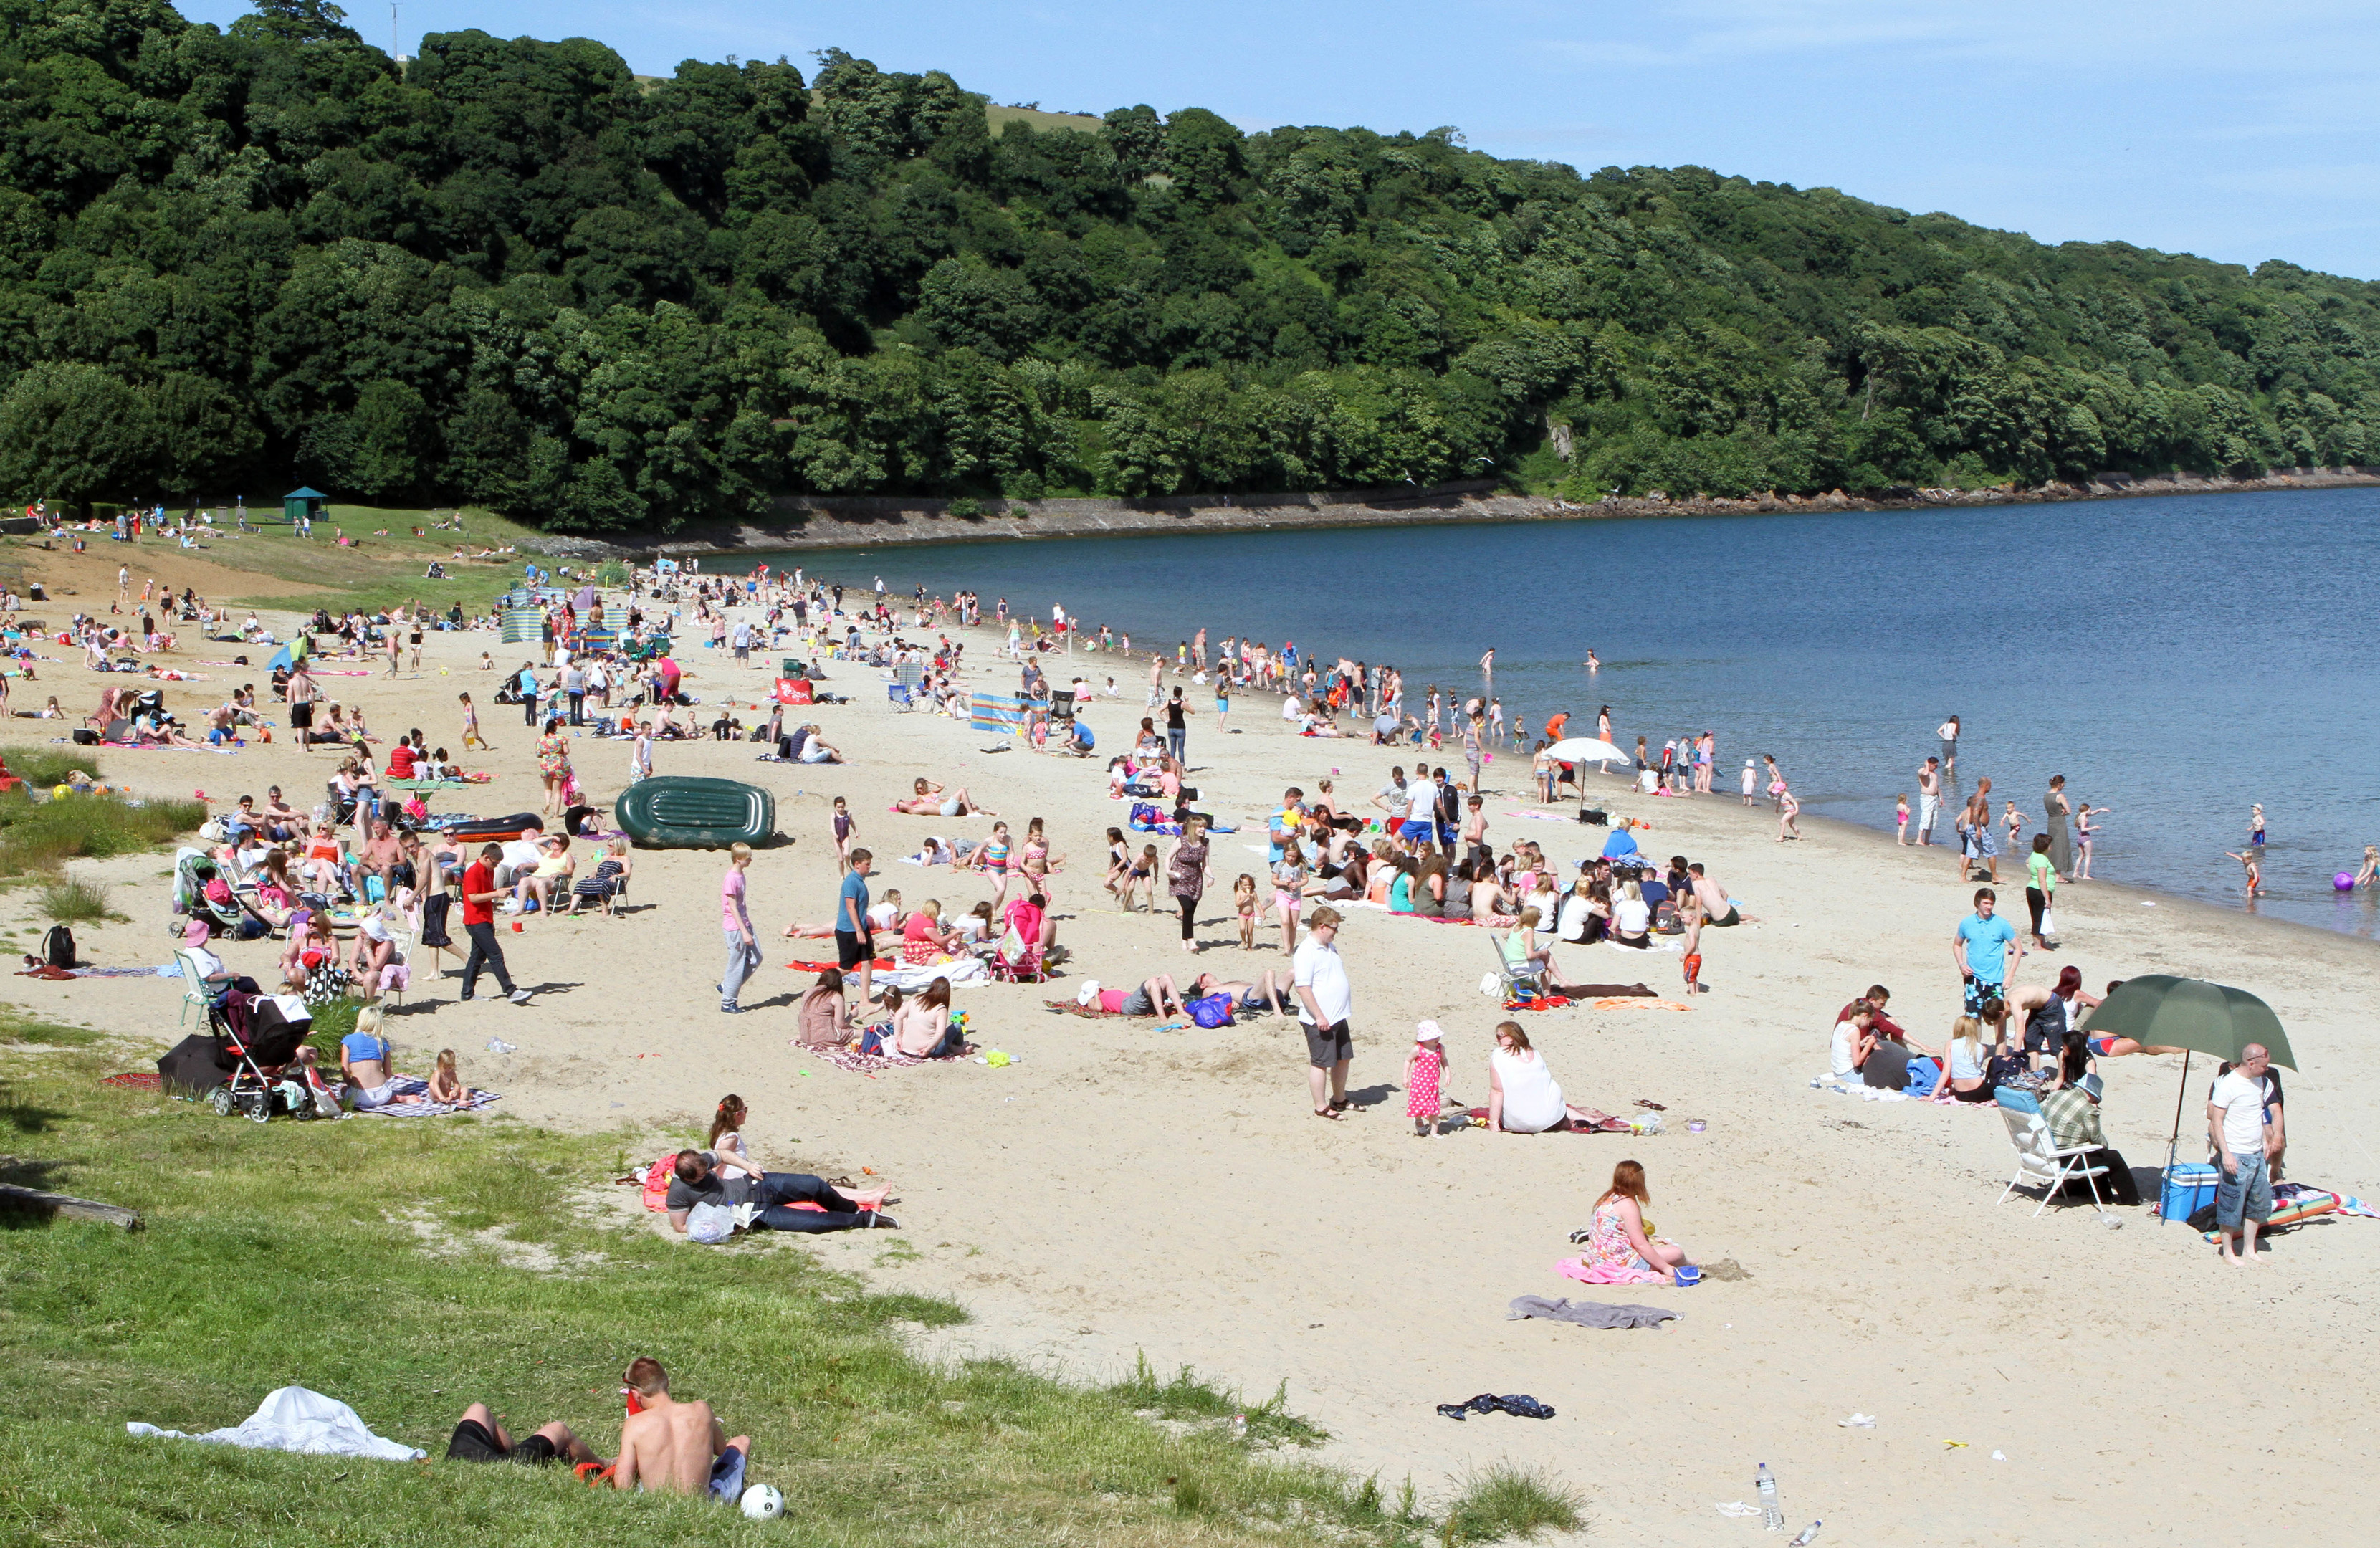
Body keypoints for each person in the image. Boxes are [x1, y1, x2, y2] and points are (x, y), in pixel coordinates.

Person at [612, 1358, 752, 1500]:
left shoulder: (634, 1424)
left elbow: (623, 1484)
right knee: (742, 1442)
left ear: (636, 1396)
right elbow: (722, 1450)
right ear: (667, 1382)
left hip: (656, 1504)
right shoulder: (702, 1410)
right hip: (703, 1504)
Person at [664, 1151, 892, 1236]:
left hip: (757, 1183)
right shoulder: (678, 1193)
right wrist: (718, 1227)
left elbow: (722, 1154)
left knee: (813, 1184)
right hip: (752, 1213)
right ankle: (866, 1220)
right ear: (688, 1179)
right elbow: (680, 1226)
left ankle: (849, 1207)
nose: (707, 1174)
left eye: (706, 1170)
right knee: (814, 1223)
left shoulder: (700, 1163)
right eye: (702, 1176)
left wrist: (747, 1166)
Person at [2209, 1045, 2277, 1264]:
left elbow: (2259, 1114)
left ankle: (2250, 1249)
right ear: (2251, 1063)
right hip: (2235, 1152)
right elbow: (2216, 1120)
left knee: (2257, 1204)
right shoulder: (2227, 1084)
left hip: (2256, 1152)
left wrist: (2266, 1140)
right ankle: (2228, 1252)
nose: (2267, 1070)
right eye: (2264, 1066)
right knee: (2231, 1204)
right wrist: (2226, 1153)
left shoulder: (2261, 1082)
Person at [1576, 1160, 1693, 1284]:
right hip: (1619, 1262)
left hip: (1599, 1258)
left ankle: (1686, 1263)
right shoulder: (1628, 1205)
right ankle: (1687, 1265)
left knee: (1658, 1245)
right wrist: (1666, 1267)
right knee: (1676, 1252)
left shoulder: (1608, 1198)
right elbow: (1640, 1245)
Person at [1487, 1021, 1616, 1133]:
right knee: (1548, 1095)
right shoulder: (1535, 1053)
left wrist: (1493, 1122)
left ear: (1511, 1038)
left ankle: (1582, 1120)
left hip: (1519, 1124)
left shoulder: (1499, 1055)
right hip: (1552, 1119)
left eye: (1499, 1037)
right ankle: (1588, 1119)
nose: (1497, 1040)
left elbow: (1497, 1090)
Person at [2040, 1072, 2140, 1204]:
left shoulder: (2055, 1095)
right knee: (2112, 1157)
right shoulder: (2088, 1110)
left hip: (2047, 1154)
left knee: (2095, 1153)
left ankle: (2103, 1195)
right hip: (2067, 1159)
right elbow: (2098, 1140)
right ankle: (2132, 1200)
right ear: (2093, 1095)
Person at [1292, 906, 1354, 1120]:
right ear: (1322, 927)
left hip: (1338, 1016)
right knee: (1321, 1063)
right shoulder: (1306, 951)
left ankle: (1340, 1098)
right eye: (1334, 928)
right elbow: (1302, 987)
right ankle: (1321, 1106)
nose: (1336, 932)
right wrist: (1319, 1016)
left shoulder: (1329, 947)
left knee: (1343, 1058)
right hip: (1319, 1020)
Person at [459, 842, 532, 1003]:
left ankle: (467, 993)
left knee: (476, 958)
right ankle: (510, 990)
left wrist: (501, 893)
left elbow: (485, 894)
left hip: (485, 918)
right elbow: (472, 897)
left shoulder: (488, 870)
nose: (495, 866)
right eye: (494, 863)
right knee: (496, 954)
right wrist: (496, 893)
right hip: (475, 921)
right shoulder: (473, 872)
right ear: (486, 858)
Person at [445, 1401, 600, 1468]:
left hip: (462, 1458)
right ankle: (604, 1464)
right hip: (507, 1466)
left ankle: (515, 1454)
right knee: (559, 1429)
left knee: (478, 1409)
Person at [1953, 887, 2018, 1016]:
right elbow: (1957, 945)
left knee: (1999, 1016)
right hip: (1973, 978)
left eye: (1991, 903)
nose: (1989, 907)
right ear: (1978, 903)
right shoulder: (1967, 923)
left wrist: (2010, 975)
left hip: (1995, 979)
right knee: (1973, 1016)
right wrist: (1961, 965)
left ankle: (2000, 1038)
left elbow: (2018, 948)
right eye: (1986, 903)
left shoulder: (2002, 924)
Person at [719, 841, 760, 1013]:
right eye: (747, 858)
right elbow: (733, 907)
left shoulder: (740, 875)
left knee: (756, 958)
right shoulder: (731, 879)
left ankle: (726, 986)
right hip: (735, 927)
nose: (750, 860)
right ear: (738, 859)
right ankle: (728, 1002)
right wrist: (744, 932)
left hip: (744, 923)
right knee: (736, 964)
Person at [1165, 814, 1213, 955]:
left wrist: (1211, 876)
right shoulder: (1181, 841)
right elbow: (1168, 857)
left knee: (1190, 911)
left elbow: (1206, 865)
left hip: (1195, 879)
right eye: (1200, 827)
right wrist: (1168, 871)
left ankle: (1184, 941)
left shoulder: (1205, 844)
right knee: (1186, 907)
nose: (1202, 829)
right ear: (1193, 828)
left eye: (1204, 827)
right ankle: (1191, 940)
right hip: (1179, 877)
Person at [837, 848, 877, 1007]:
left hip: (862, 927)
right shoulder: (851, 882)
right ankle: (820, 987)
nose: (869, 867)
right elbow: (850, 907)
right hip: (849, 930)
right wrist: (859, 931)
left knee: (868, 961)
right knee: (846, 968)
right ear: (857, 864)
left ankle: (864, 999)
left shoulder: (859, 881)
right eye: (867, 864)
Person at [1406, 1020, 1448, 1137]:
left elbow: (1443, 1060)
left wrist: (1448, 1073)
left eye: (1437, 1036)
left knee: (1434, 1106)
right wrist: (1405, 1077)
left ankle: (1434, 1131)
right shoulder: (1418, 1049)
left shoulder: (1440, 1048)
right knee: (1418, 1103)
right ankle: (1418, 1119)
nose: (1436, 1039)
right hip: (1419, 1083)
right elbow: (1408, 1060)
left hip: (1433, 1084)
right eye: (1432, 1038)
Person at [1828, 1002, 1878, 1081]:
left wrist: (1861, 1043)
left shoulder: (1842, 1024)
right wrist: (1869, 1045)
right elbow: (1857, 1062)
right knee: (1876, 1080)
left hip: (1837, 1071)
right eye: (1869, 1020)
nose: (1868, 1024)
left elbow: (1845, 1046)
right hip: (1847, 1073)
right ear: (1865, 1016)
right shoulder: (1854, 1031)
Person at [2025, 833, 2058, 949]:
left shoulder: (2034, 855)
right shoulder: (2042, 859)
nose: (2051, 847)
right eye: (2049, 845)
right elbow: (2042, 880)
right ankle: (2038, 945)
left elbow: (2027, 862)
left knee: (2038, 916)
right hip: (2040, 890)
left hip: (2032, 888)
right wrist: (2047, 898)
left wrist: (2032, 873)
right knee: (2040, 917)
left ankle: (2041, 942)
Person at [1916, 756, 1941, 846]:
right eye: (1935, 766)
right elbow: (1925, 774)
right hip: (1926, 798)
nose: (1936, 768)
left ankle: (1927, 840)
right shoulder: (1922, 771)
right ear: (1930, 764)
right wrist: (1926, 765)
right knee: (1926, 816)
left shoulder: (1934, 774)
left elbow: (1937, 787)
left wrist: (1941, 798)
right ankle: (1919, 839)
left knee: (1932, 818)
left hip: (1934, 798)